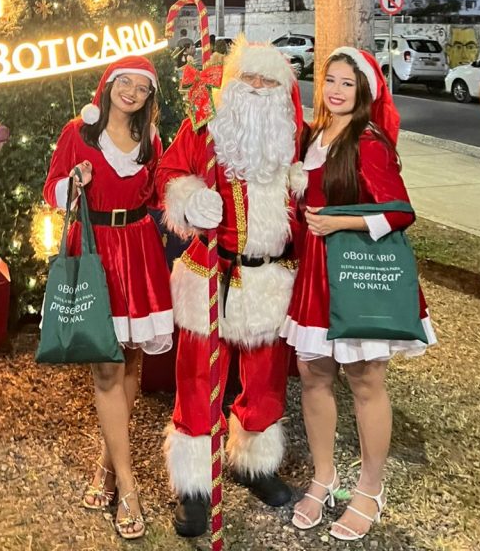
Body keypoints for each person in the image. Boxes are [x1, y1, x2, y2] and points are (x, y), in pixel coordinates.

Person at [281, 47, 436, 542]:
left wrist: (337, 221)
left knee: (365, 380)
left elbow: (400, 212)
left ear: (364, 92)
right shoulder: (313, 135)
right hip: (315, 276)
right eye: (331, 80)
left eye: (348, 83)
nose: (336, 90)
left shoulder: (368, 141)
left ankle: (369, 489)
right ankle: (324, 477)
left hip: (354, 271)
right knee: (313, 376)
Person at [156, 37, 306, 538]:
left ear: (284, 91)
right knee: (198, 375)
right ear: (233, 84)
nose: (259, 89)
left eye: (269, 81)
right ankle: (195, 483)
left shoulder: (295, 138)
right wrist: (190, 198)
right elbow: (171, 171)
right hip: (211, 273)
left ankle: (254, 463)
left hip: (270, 276)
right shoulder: (205, 127)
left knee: (265, 377)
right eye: (250, 79)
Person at [43, 55, 173, 540]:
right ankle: (130, 486)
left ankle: (105, 466)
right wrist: (71, 184)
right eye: (126, 83)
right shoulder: (78, 131)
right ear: (110, 84)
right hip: (96, 252)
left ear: (148, 97)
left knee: (132, 365)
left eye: (142, 87)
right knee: (106, 367)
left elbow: (161, 193)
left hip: (139, 252)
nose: (133, 93)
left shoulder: (152, 140)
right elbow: (50, 188)